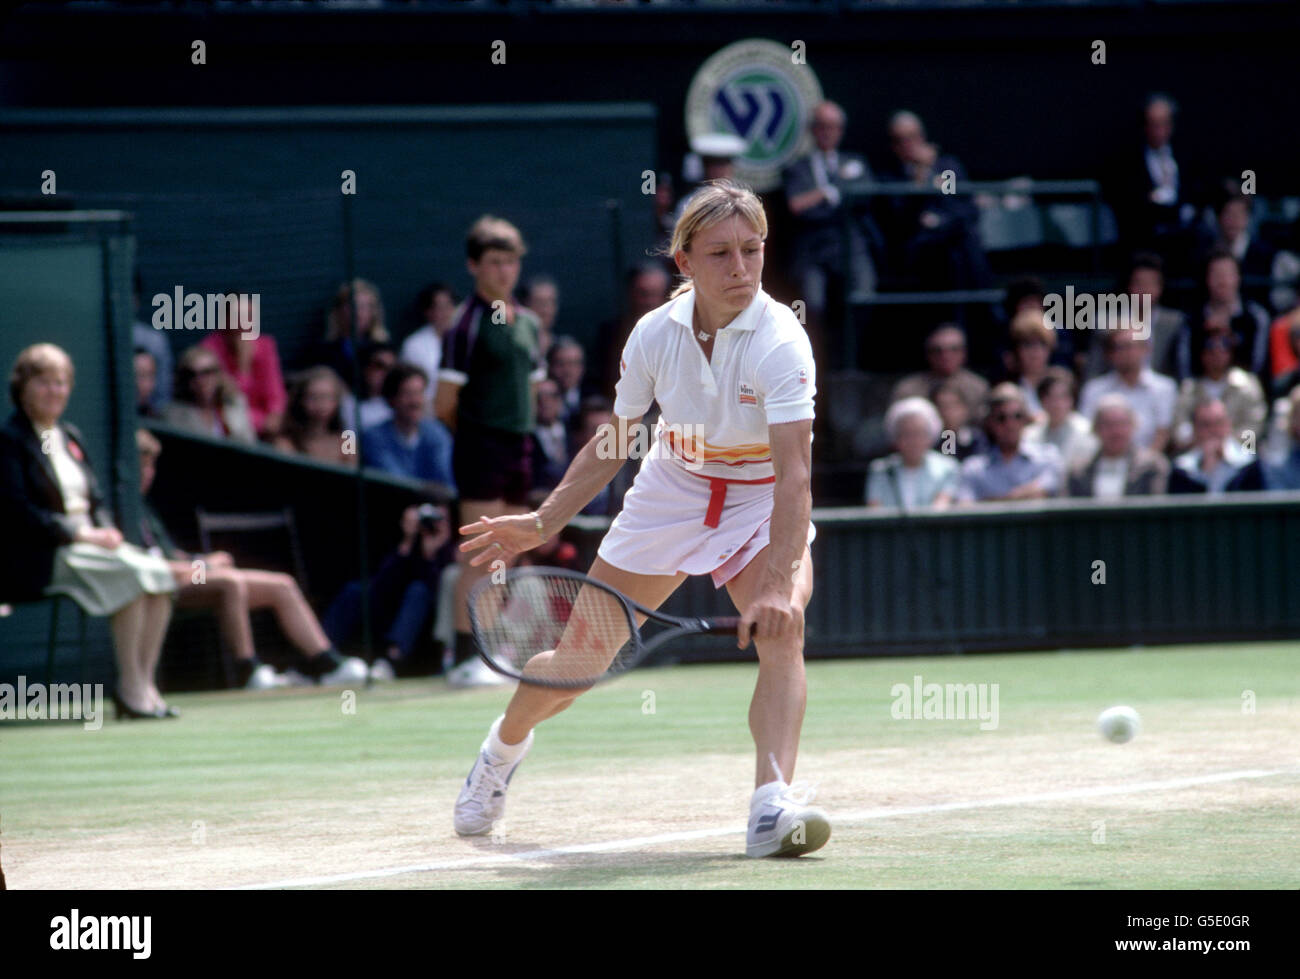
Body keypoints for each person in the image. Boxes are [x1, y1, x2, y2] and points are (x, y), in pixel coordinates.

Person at [451, 179, 829, 859]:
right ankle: (499, 753)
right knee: (575, 665)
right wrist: (544, 519)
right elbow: (615, 439)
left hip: (757, 501)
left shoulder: (782, 341)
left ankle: (771, 804)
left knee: (784, 631)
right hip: (672, 489)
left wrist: (777, 582)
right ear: (683, 262)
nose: (740, 268)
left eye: (752, 249)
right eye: (720, 253)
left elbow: (795, 475)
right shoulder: (654, 336)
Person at [0, 344, 176, 719]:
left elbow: (95, 501)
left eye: (61, 383)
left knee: (159, 574)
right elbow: (18, 513)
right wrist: (82, 535)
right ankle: (129, 688)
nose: (55, 391)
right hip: (41, 555)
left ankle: (145, 684)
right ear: (23, 387)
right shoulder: (10, 440)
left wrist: (108, 533)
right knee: (131, 576)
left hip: (89, 546)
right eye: (44, 382)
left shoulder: (70, 435)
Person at [135, 430, 367, 689]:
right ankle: (249, 671)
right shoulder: (125, 507)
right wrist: (204, 566)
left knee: (282, 585)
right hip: (160, 586)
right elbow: (148, 564)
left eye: (151, 466)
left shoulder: (144, 506)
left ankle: (327, 664)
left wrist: (201, 559)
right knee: (230, 582)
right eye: (142, 467)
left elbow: (167, 552)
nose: (148, 473)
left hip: (187, 575)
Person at [433, 215, 544, 686]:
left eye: (511, 262)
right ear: (474, 266)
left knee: (508, 553)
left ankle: (489, 652)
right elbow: (444, 404)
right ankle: (463, 658)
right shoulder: (466, 324)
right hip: (480, 449)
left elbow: (533, 390)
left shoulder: (530, 323)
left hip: (519, 447)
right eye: (494, 262)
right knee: (479, 556)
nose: (504, 272)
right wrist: (479, 435)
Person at [323, 502, 453, 681]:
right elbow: (381, 584)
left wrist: (431, 553)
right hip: (391, 607)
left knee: (418, 591)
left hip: (429, 614)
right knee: (354, 590)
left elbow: (435, 586)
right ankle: (324, 655)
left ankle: (391, 661)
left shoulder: (451, 547)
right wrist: (407, 542)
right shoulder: (405, 543)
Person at [782, 100, 878, 339]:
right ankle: (819, 357)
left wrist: (821, 198)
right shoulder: (798, 167)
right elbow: (796, 206)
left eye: (833, 126)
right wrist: (829, 193)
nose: (827, 132)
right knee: (811, 304)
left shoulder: (856, 163)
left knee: (863, 294)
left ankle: (854, 357)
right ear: (812, 130)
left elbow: (865, 196)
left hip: (850, 245)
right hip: (812, 249)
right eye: (821, 126)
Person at [198, 294, 287, 440]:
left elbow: (275, 395)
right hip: (230, 431)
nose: (246, 322)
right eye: (239, 316)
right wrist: (243, 367)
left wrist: (275, 416)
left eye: (250, 315)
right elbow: (229, 402)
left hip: (268, 429)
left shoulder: (265, 346)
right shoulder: (209, 351)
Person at [956, 384, 1062, 503]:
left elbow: (1046, 488)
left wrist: (991, 502)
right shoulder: (973, 468)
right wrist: (1021, 497)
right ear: (990, 423)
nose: (1010, 424)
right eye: (1002, 418)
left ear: (1025, 420)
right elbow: (966, 506)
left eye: (1017, 416)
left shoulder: (1048, 456)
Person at [1078, 326, 1177, 454]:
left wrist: (1143, 465)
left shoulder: (1164, 388)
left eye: (1131, 346)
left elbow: (1163, 432)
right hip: (1102, 462)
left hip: (1147, 465)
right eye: (1120, 347)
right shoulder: (1094, 389)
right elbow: (1087, 432)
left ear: (1146, 349)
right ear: (1109, 354)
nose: (1127, 353)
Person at [1170, 325, 1267, 454]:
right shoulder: (1190, 388)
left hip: (1238, 454)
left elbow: (1254, 426)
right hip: (1197, 453)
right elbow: (1179, 426)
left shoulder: (1247, 385)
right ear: (1202, 354)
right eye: (1210, 348)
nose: (1217, 353)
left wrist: (1227, 446)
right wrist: (1198, 442)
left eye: (1223, 348)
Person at [362, 363, 455, 489]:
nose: (415, 401)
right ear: (392, 399)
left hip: (435, 505)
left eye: (419, 393)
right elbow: (396, 484)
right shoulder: (374, 437)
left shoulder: (437, 433)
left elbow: (447, 481)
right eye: (407, 394)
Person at [1066, 395, 1169, 499]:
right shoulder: (1078, 471)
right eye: (1108, 425)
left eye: (1122, 424)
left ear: (1133, 426)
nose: (1116, 432)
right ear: (1096, 429)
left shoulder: (1152, 466)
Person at [865, 397, 958, 510]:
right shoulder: (880, 470)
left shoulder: (948, 468)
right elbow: (875, 510)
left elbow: (940, 509)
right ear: (896, 437)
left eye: (919, 433)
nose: (913, 441)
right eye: (906, 434)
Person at [162, 346, 257, 444]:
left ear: (218, 374)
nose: (200, 380)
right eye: (192, 374)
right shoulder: (174, 414)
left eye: (207, 373)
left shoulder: (234, 406)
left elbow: (248, 443)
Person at [889, 324, 988, 416]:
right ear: (927, 354)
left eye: (954, 349)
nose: (946, 356)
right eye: (937, 350)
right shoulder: (907, 389)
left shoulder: (978, 387)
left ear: (964, 353)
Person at [273, 366, 357, 468]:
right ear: (300, 400)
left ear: (337, 401)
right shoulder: (286, 441)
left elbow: (352, 471)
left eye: (326, 397)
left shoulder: (348, 439)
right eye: (313, 397)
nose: (320, 404)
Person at [1168, 397, 1255, 494]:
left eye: (1218, 423)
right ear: (1195, 429)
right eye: (1206, 425)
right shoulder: (1181, 469)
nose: (1213, 430)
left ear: (1228, 425)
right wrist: (1206, 470)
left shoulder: (1249, 465)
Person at [1023, 368, 1097, 472]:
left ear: (1072, 400)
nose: (1057, 404)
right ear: (1042, 401)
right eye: (1051, 397)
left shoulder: (1087, 431)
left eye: (1063, 397)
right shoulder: (1029, 434)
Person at [400, 282, 458, 408]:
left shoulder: (468, 339)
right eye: (439, 308)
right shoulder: (414, 345)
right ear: (428, 312)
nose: (445, 313)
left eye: (448, 306)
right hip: (428, 414)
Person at [547, 336, 586, 424]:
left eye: (574, 364)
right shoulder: (539, 404)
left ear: (582, 368)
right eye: (561, 364)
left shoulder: (591, 397)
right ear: (549, 366)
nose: (568, 371)